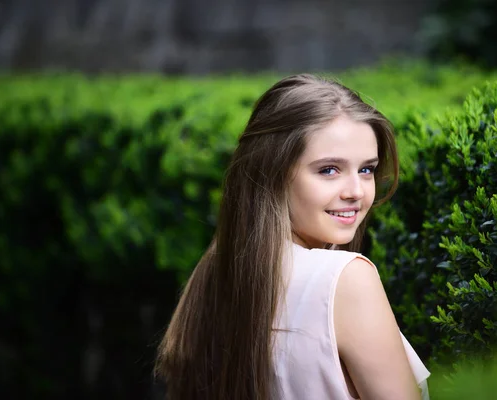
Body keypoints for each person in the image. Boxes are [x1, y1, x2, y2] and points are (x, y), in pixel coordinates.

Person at [155, 74, 430, 399]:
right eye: (329, 170)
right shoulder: (346, 280)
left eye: (366, 169)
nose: (357, 191)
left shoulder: (217, 271)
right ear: (272, 174)